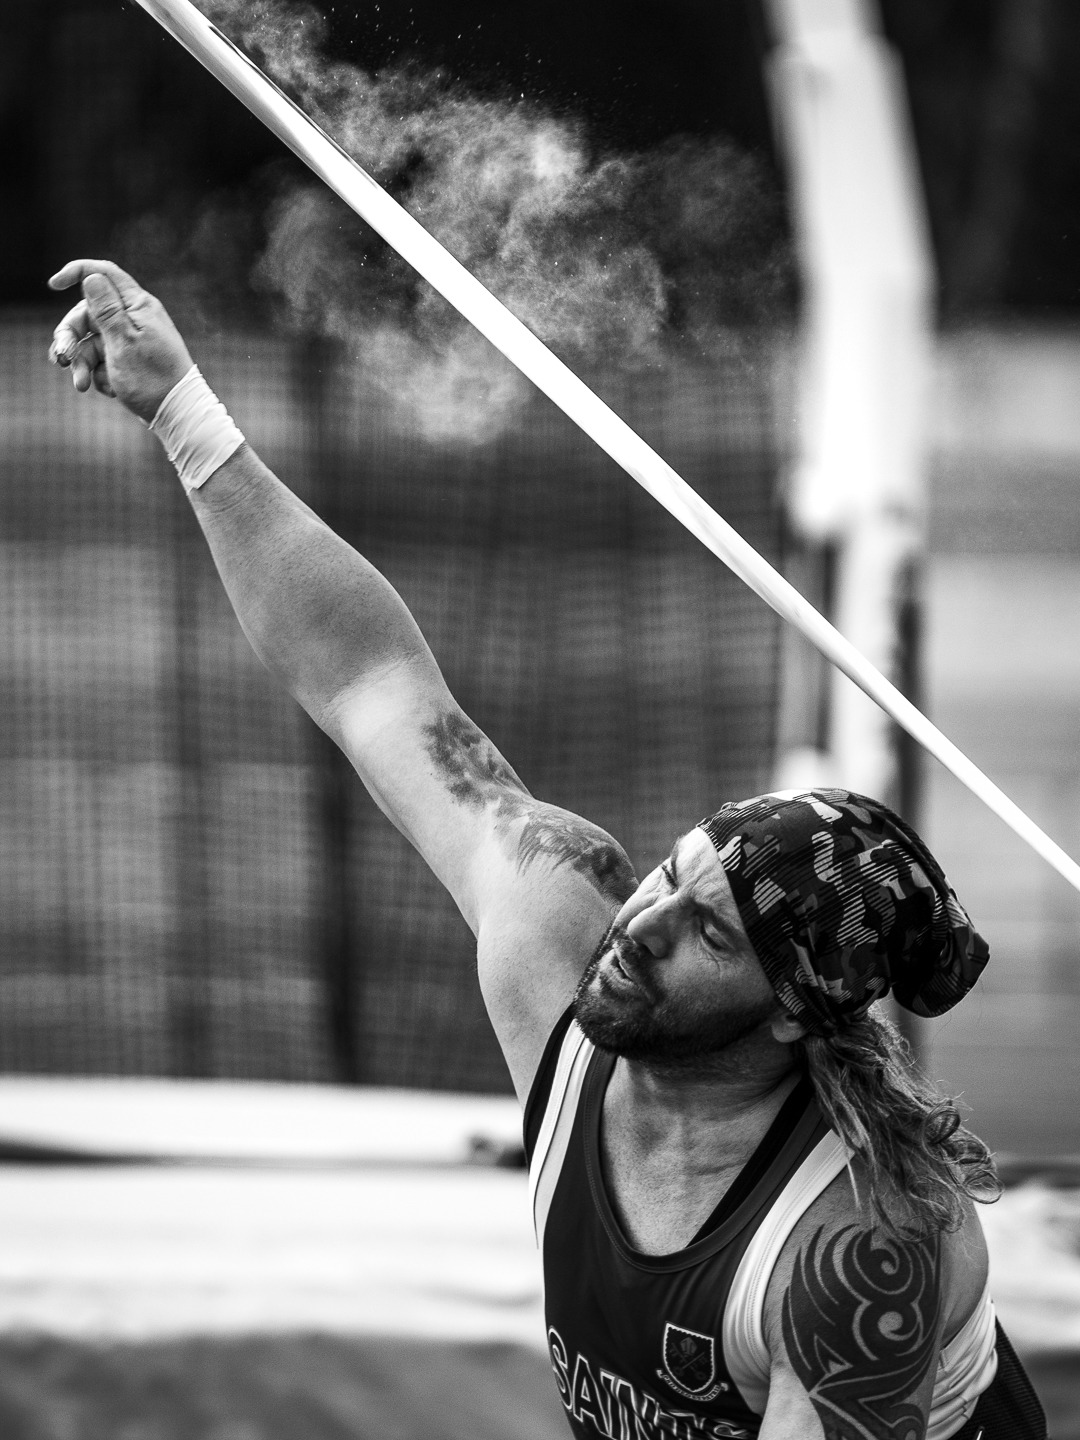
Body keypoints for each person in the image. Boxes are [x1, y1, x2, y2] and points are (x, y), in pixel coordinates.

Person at [48, 260, 1048, 1440]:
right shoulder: (561, 941)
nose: (642, 926)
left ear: (794, 1012)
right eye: (673, 874)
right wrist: (181, 410)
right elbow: (370, 683)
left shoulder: (862, 1248)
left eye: (706, 931)